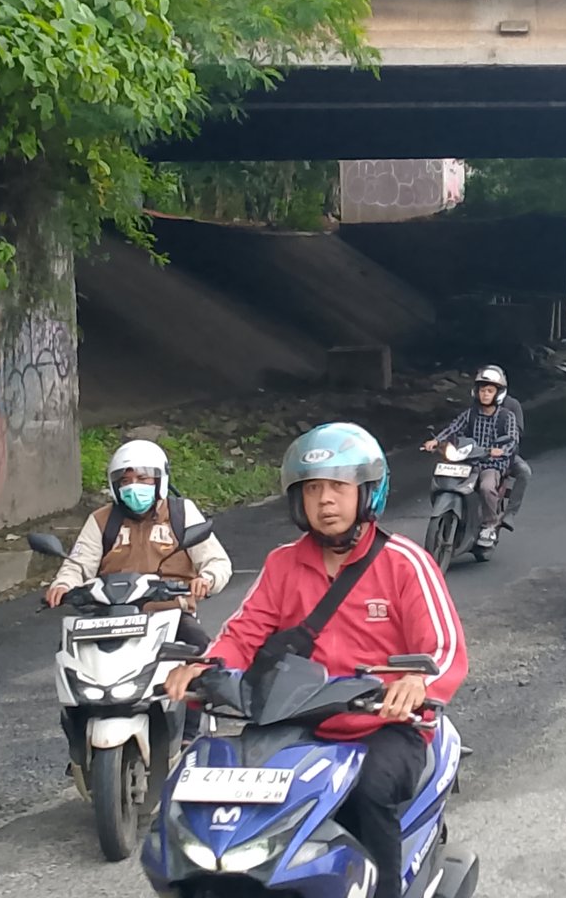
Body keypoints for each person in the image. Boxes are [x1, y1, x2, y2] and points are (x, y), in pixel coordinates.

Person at [164, 424, 466, 898]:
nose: (325, 500)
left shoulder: (405, 563)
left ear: (367, 492)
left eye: (338, 486)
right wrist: (204, 668)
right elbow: (243, 634)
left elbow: (444, 648)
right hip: (294, 719)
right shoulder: (283, 564)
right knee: (225, 802)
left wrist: (416, 684)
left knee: (369, 791)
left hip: (382, 726)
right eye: (312, 489)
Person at [45, 439, 231, 652]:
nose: (133, 486)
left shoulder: (181, 513)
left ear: (159, 480)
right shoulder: (101, 519)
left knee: (204, 653)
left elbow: (216, 561)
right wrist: (63, 585)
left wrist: (206, 579)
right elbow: (78, 564)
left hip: (168, 613)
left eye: (142, 478)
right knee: (69, 653)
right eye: (125, 481)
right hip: (109, 618)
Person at [424, 365, 520, 548]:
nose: (485, 394)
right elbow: (454, 428)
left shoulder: (506, 417)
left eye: (490, 391)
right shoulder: (470, 414)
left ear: (498, 394)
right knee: (443, 478)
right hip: (467, 462)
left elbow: (512, 440)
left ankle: (489, 525)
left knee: (486, 487)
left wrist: (500, 451)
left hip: (491, 464)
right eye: (482, 390)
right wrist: (436, 441)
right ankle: (450, 511)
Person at [497, 369, 533, 518]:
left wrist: (505, 446)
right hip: (477, 453)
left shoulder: (511, 405)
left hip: (503, 453)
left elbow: (517, 432)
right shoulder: (475, 406)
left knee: (524, 472)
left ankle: (510, 513)